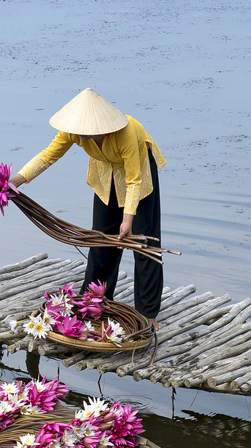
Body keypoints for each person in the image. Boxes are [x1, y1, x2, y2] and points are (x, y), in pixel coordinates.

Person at [9, 88, 167, 328]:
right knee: (101, 238)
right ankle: (95, 301)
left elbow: (134, 180)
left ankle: (148, 312)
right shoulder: (73, 131)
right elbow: (47, 156)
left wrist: (127, 220)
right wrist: (14, 182)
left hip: (139, 175)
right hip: (105, 175)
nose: (80, 137)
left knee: (144, 243)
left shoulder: (126, 132)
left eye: (86, 133)